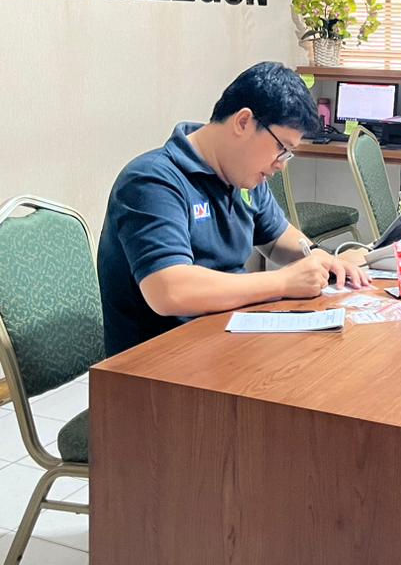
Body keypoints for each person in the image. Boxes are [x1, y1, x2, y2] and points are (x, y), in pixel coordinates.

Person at [98, 61, 370, 357]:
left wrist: (319, 257)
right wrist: (283, 281)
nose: (281, 164)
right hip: (158, 364)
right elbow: (170, 291)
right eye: (281, 148)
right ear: (243, 122)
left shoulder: (243, 176)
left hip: (227, 344)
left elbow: (278, 239)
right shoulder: (151, 181)